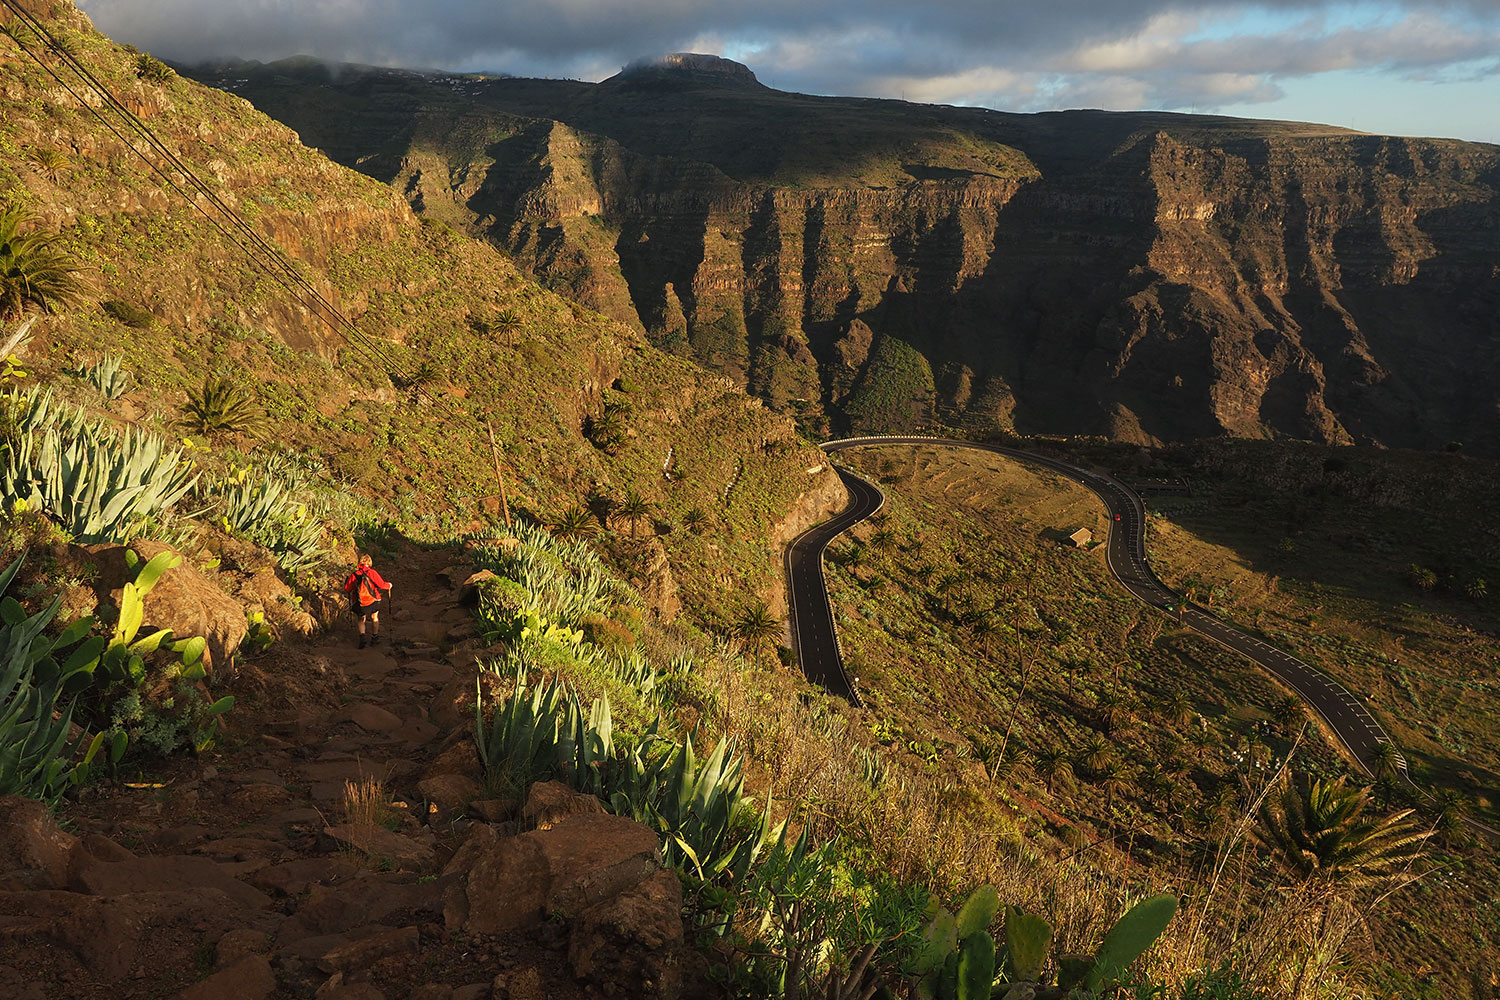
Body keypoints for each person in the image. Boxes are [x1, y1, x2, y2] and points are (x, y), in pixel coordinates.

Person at [344, 554, 392, 648]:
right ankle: (375, 637)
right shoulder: (372, 572)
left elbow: (347, 589)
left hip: (359, 601)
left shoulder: (355, 574)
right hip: (373, 599)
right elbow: (382, 585)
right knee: (375, 617)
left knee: (361, 619)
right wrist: (389, 585)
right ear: (369, 563)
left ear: (360, 562)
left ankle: (362, 638)